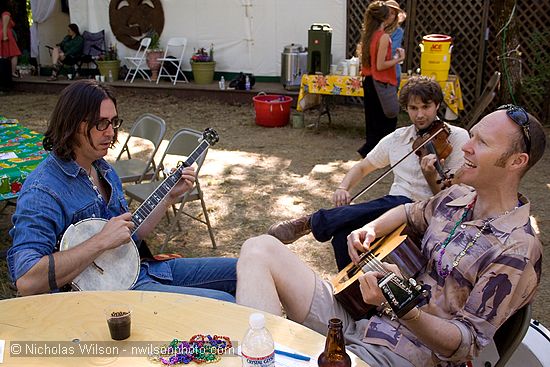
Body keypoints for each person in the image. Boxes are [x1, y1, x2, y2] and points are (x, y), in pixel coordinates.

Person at [237, 105, 546, 367]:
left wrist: (403, 304)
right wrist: (369, 229)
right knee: (260, 247)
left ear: (516, 162)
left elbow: (464, 345)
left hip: (402, 356)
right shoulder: (459, 197)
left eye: (482, 142)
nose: (466, 145)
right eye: (472, 135)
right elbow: (408, 212)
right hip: (361, 319)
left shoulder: (517, 249)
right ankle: (254, 354)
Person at [7, 80, 236, 302]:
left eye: (114, 122)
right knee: (224, 302)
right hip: (114, 296)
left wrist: (168, 197)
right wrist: (101, 241)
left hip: (141, 269)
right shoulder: (43, 190)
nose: (111, 133)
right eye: (101, 123)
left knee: (240, 269)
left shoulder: (102, 168)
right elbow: (27, 280)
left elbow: (129, 235)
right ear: (73, 124)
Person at [268, 76, 470, 270]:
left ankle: (312, 221)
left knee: (402, 202)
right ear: (406, 109)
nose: (419, 115)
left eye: (426, 107)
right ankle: (351, 295)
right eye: (413, 108)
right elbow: (363, 167)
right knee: (343, 235)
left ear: (437, 105)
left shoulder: (456, 138)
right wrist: (343, 187)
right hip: (391, 210)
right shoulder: (398, 139)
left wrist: (430, 175)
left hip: (427, 215)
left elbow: (450, 198)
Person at [357, 0, 405, 158]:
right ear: (385, 18)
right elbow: (381, 65)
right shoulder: (383, 36)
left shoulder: (369, 35)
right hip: (381, 81)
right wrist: (399, 59)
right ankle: (381, 153)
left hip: (369, 80)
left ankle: (370, 151)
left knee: (372, 119)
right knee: (388, 119)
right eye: (390, 13)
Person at [0, 4, 21, 79]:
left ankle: (7, 72)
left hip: (3, 33)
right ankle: (12, 72)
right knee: (14, 53)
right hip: (7, 34)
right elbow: (5, 26)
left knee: (6, 54)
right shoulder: (6, 13)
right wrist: (5, 36)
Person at [389, 8, 407, 88]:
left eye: (393, 13)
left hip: (393, 72)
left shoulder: (398, 31)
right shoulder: (377, 30)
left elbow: (393, 49)